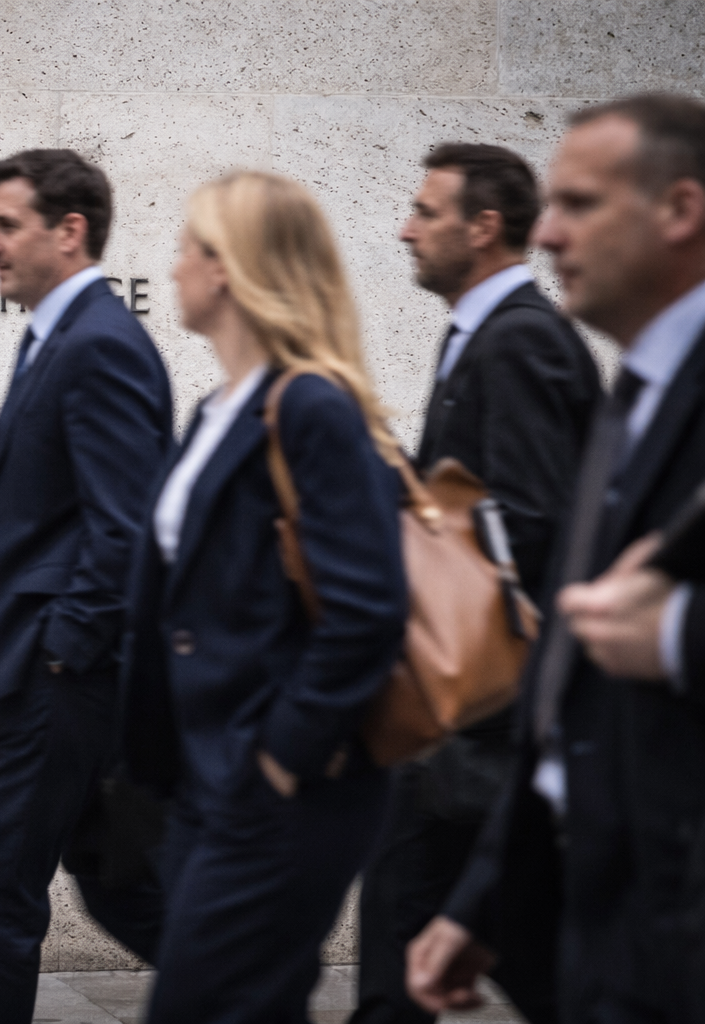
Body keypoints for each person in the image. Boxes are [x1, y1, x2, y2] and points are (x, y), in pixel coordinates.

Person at [407, 93, 705, 1024]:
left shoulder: (531, 343)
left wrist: (678, 631)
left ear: (680, 209)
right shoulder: (636, 391)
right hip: (614, 905)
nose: (548, 234)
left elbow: (533, 533)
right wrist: (485, 899)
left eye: (579, 204)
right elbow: (571, 684)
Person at [119, 170, 408, 1023]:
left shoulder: (314, 407)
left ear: (229, 267)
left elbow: (368, 608)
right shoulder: (217, 410)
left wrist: (279, 756)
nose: (173, 265)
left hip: (282, 786)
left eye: (186, 247)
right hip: (206, 777)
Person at [352, 143, 600, 1024]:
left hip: (481, 711)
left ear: (484, 227)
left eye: (426, 212)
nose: (405, 230)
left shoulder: (518, 341)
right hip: (473, 714)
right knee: (501, 946)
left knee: (411, 937)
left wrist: (413, 533)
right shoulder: (487, 337)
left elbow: (529, 523)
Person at [0, 148, 172, 1024]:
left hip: (65, 675)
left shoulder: (98, 344)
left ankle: (254, 976)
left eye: (6, 225)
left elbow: (128, 524)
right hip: (61, 670)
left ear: (69, 231)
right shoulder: (61, 336)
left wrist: (63, 649)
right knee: (121, 886)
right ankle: (252, 982)